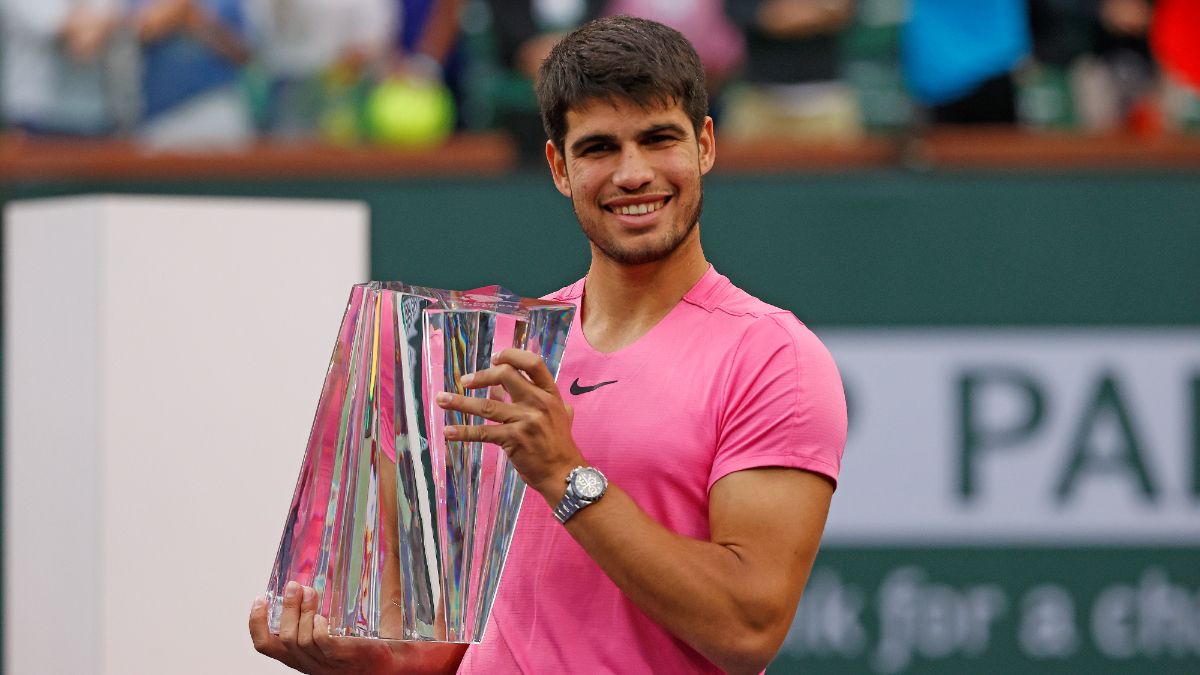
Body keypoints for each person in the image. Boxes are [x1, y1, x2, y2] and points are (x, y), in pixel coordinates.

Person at [249, 15, 846, 674]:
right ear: (559, 166)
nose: (633, 173)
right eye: (598, 148)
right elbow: (439, 648)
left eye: (658, 139)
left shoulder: (773, 358)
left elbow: (746, 626)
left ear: (705, 145)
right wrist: (362, 657)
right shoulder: (497, 348)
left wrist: (564, 475)